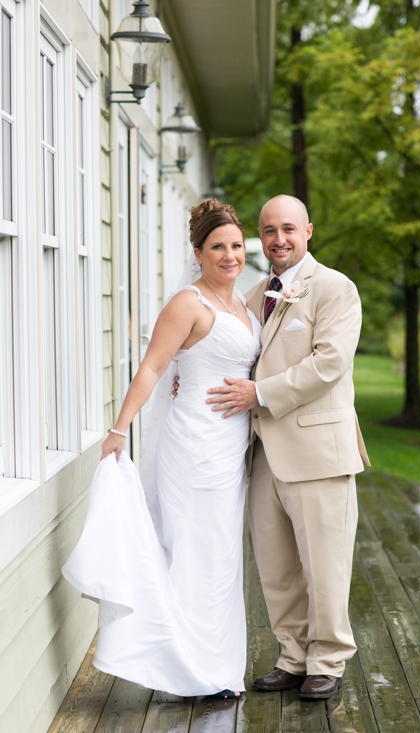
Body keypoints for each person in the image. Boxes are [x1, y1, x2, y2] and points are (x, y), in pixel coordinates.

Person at [62, 200, 260, 698]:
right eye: (218, 247)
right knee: (194, 553)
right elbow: (152, 367)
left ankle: (216, 666)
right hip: (193, 444)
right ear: (198, 253)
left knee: (219, 558)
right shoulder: (188, 304)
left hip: (229, 445)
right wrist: (119, 429)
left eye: (236, 245)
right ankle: (189, 669)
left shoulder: (245, 305)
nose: (230, 255)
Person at [202, 194, 369, 700]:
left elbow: (329, 363)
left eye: (289, 229)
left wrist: (261, 394)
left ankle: (328, 660)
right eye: (270, 230)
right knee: (276, 568)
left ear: (308, 231)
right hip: (261, 454)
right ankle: (292, 656)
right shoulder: (254, 295)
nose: (279, 239)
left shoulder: (335, 289)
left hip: (318, 450)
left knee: (325, 564)